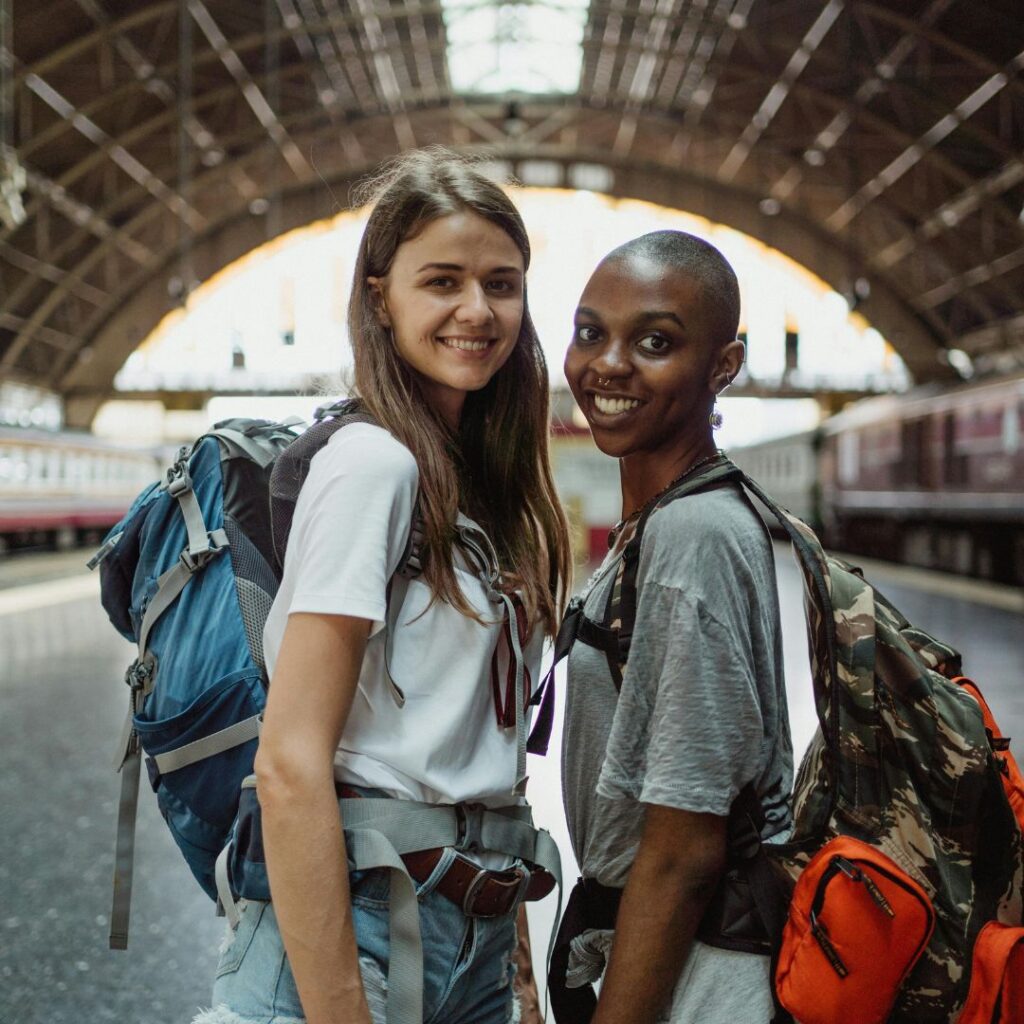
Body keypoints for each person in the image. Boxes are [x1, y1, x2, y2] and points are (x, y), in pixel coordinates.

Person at [194, 150, 571, 1024]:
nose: (477, 310)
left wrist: (513, 962)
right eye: (442, 281)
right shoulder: (373, 465)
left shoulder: (477, 480)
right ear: (379, 297)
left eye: (501, 284)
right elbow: (290, 765)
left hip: (469, 935)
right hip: (353, 938)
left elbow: (480, 763)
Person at [550, 230, 793, 1023]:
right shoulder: (656, 526)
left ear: (724, 365)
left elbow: (685, 852)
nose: (608, 364)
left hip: (698, 976)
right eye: (591, 332)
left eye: (654, 341)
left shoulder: (693, 539)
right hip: (665, 958)